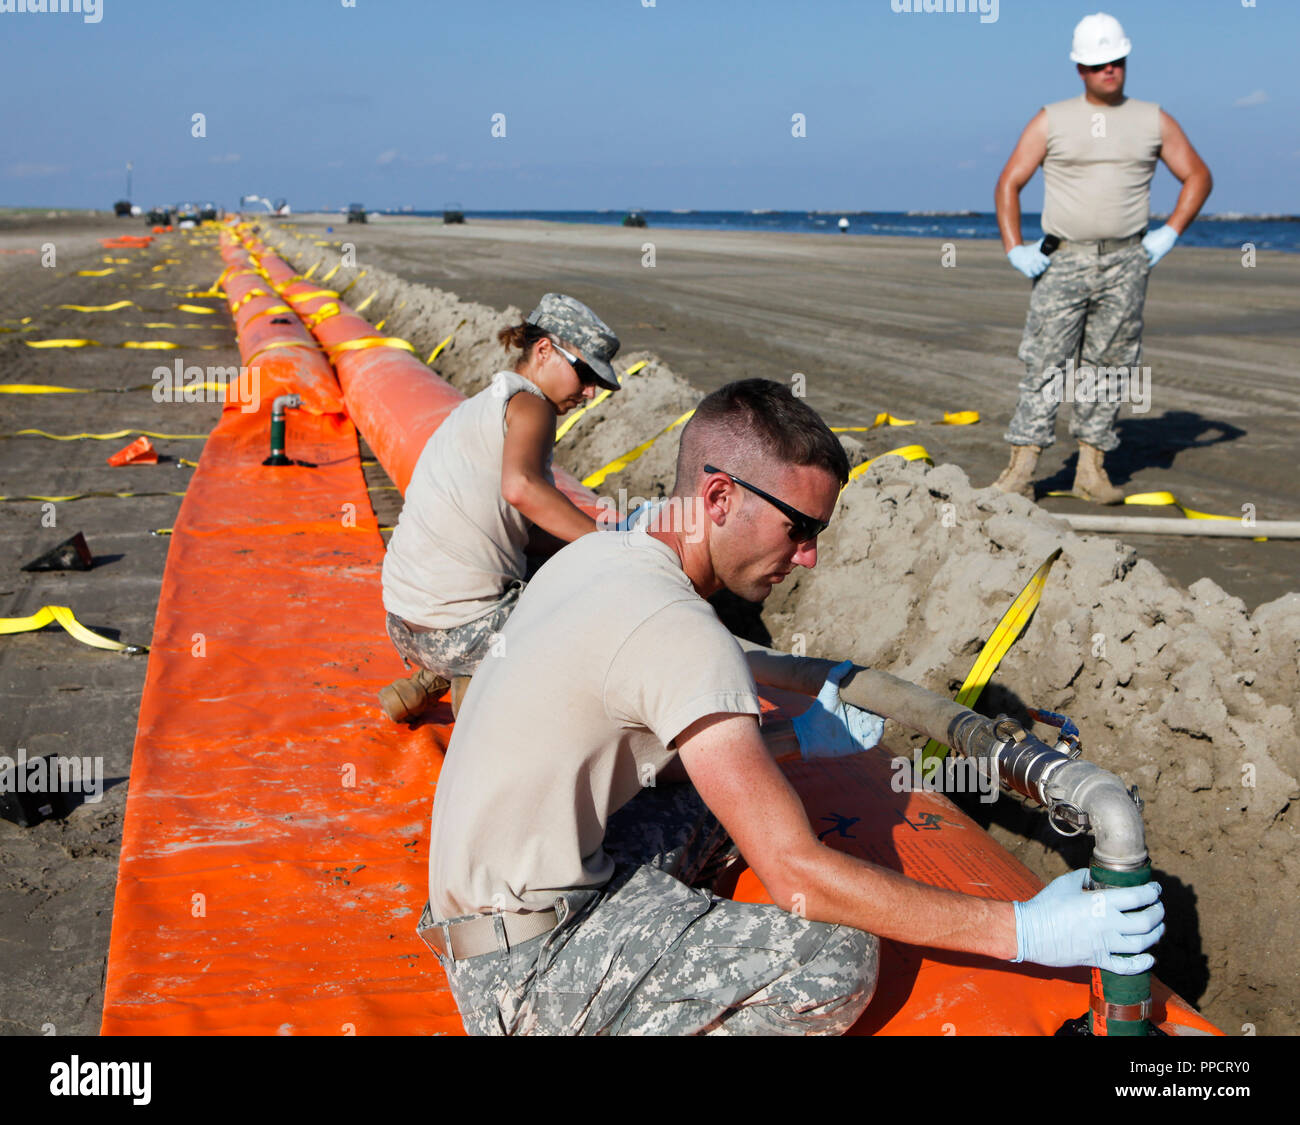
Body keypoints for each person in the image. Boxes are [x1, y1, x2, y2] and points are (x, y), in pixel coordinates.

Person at [416, 379, 1165, 1035]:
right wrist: (1027, 928)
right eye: (798, 528)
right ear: (718, 496)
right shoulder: (680, 631)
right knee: (834, 957)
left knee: (719, 809)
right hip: (527, 975)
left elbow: (668, 747)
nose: (808, 556)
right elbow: (799, 878)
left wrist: (800, 736)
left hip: (485, 917)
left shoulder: (599, 556)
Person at [991, 12, 1212, 502]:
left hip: (1127, 261)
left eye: (1115, 61)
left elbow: (1198, 175)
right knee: (1045, 364)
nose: (1108, 70)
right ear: (1080, 70)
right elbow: (1009, 182)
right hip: (1063, 260)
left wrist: (1169, 233)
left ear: (1126, 60)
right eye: (1097, 64)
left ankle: (1091, 471)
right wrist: (1014, 247)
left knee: (1109, 367)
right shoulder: (1052, 118)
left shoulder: (1153, 118)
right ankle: (1021, 472)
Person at [378, 293, 621, 721]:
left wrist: (581, 544)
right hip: (462, 632)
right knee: (584, 612)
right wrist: (613, 547)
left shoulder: (482, 406)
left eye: (595, 384)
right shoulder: (533, 407)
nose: (588, 391)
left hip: (403, 621)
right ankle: (479, 694)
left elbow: (523, 528)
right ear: (544, 349)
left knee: (544, 564)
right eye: (584, 373)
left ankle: (425, 682)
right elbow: (522, 488)